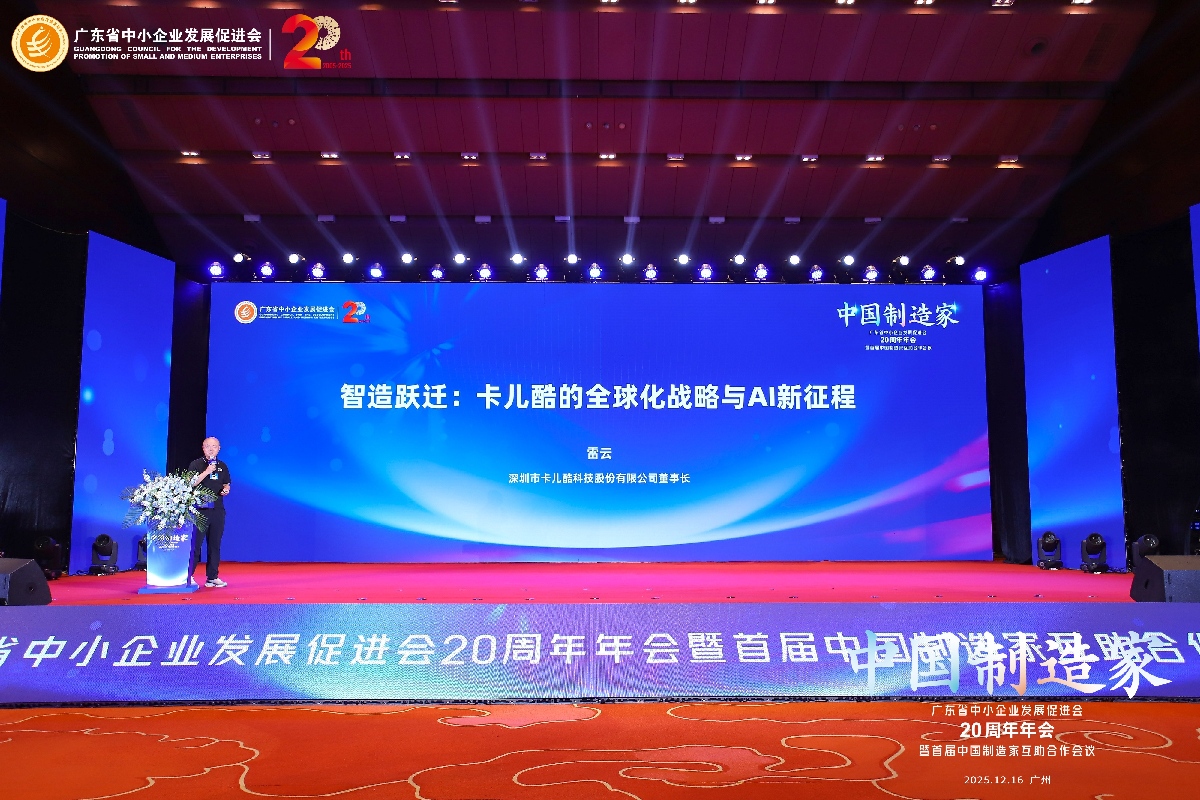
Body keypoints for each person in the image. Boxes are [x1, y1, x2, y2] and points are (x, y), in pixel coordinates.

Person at [189, 437, 231, 588]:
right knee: (196, 545)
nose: (211, 449)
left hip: (217, 510)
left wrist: (226, 489)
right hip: (200, 510)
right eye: (208, 446)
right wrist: (207, 471)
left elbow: (226, 483)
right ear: (203, 448)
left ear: (219, 448)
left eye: (214, 446)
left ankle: (212, 577)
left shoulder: (222, 466)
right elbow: (191, 483)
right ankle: (189, 576)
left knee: (215, 545)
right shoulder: (196, 464)